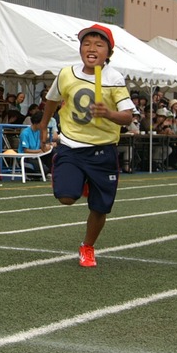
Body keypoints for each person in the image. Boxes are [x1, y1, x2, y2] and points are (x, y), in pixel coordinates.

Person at [38, 23, 135, 268]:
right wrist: (42, 125)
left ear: (108, 53)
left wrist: (108, 113)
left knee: (100, 207)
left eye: (99, 44)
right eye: (87, 44)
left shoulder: (114, 79)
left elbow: (128, 116)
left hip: (104, 150)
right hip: (71, 145)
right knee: (66, 198)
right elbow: (52, 100)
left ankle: (88, 246)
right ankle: (73, 178)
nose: (92, 48)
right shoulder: (66, 74)